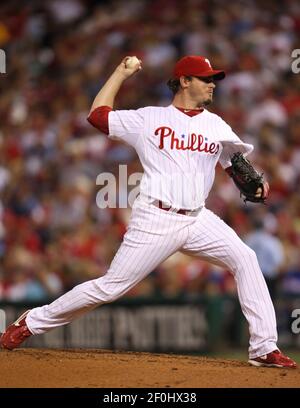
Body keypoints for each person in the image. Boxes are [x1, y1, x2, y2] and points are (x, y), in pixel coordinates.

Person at [0, 55, 296, 368]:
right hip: (156, 217)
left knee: (246, 259)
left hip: (198, 218)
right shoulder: (149, 119)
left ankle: (264, 347)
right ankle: (32, 321)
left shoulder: (216, 125)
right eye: (205, 78)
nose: (212, 84)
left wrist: (253, 181)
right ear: (184, 81)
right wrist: (119, 73)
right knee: (110, 287)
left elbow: (236, 165)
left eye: (213, 79)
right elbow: (98, 116)